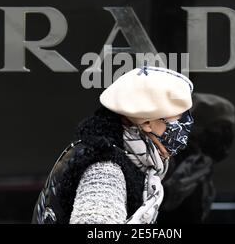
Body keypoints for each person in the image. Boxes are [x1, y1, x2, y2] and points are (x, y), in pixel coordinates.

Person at [31, 66, 194, 224]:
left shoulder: (132, 160)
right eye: (179, 119)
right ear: (147, 123)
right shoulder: (105, 169)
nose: (186, 125)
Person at [158, 93, 235, 223]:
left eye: (228, 130)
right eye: (220, 128)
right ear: (198, 130)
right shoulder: (172, 162)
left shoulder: (202, 166)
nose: (225, 137)